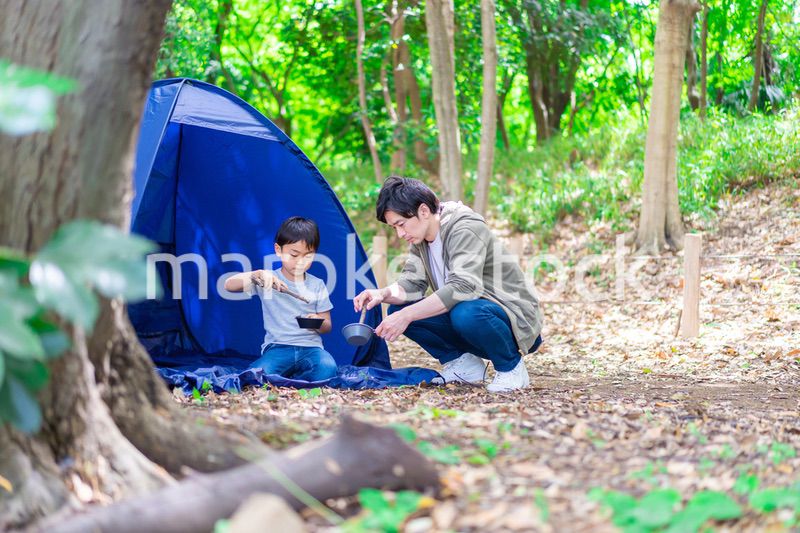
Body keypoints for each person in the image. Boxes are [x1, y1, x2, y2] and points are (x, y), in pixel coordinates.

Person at [354, 177, 543, 392]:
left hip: (513, 319)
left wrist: (407, 316)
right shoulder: (421, 239)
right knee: (399, 308)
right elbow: (412, 284)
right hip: (473, 316)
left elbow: (463, 287)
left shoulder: (465, 227)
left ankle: (511, 369)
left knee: (464, 312)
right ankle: (465, 365)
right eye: (394, 228)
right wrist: (382, 293)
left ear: (424, 211)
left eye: (401, 224)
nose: (400, 233)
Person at [225, 216, 338, 381]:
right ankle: (289, 377)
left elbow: (327, 325)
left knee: (328, 368)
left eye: (308, 256)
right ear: (278, 250)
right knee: (256, 375)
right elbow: (228, 285)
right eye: (294, 255)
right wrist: (255, 274)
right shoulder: (267, 279)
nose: (300, 262)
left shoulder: (317, 284)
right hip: (277, 348)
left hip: (311, 349)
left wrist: (317, 321)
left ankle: (290, 379)